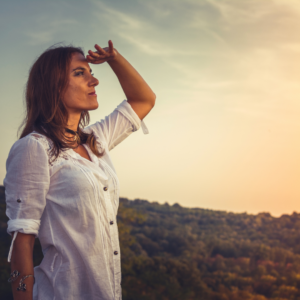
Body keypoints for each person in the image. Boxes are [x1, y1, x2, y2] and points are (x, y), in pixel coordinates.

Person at [4, 40, 155, 300]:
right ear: (53, 86)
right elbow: (22, 242)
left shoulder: (95, 139)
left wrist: (114, 59)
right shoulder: (33, 148)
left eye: (91, 73)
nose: (93, 81)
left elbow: (144, 100)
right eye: (79, 73)